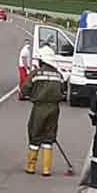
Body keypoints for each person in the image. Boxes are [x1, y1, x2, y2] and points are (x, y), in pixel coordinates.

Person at [25, 46, 66, 176]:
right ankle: (46, 169)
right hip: (54, 108)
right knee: (49, 137)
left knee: (35, 134)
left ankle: (31, 166)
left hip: (39, 107)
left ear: (42, 60)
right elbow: (63, 92)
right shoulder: (59, 75)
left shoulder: (36, 73)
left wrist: (29, 95)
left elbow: (26, 88)